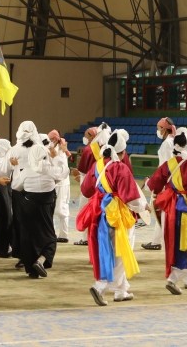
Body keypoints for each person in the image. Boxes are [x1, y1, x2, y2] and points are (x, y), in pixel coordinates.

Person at [78, 130, 146, 306]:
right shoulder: (121, 168)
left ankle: (121, 290)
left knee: (107, 249)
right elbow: (129, 197)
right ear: (123, 152)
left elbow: (86, 190)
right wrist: (143, 207)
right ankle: (100, 286)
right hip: (119, 214)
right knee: (122, 250)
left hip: (101, 211)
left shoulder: (98, 165)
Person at [146, 128, 187, 295]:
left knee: (174, 243)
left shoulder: (167, 165)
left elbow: (151, 186)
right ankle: (174, 278)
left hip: (169, 208)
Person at [9, 121, 74, 278]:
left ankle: (31, 269)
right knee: (50, 237)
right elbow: (64, 172)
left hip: (28, 205)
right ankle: (41, 260)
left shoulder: (25, 171)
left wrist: (17, 167)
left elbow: (16, 186)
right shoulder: (49, 170)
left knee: (30, 237)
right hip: (45, 206)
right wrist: (57, 156)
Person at [142, 117, 176, 251]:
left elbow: (166, 165)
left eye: (158, 128)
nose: (157, 131)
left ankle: (158, 241)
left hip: (166, 181)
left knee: (160, 209)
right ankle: (156, 240)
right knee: (162, 211)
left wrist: (154, 181)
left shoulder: (167, 143)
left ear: (164, 128)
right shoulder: (172, 142)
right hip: (171, 180)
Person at [48, 130, 72, 243]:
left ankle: (63, 234)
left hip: (61, 184)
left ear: (55, 139)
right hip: (55, 182)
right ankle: (52, 233)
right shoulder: (53, 148)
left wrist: (53, 156)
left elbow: (61, 165)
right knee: (52, 209)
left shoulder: (61, 149)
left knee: (62, 210)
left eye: (51, 139)